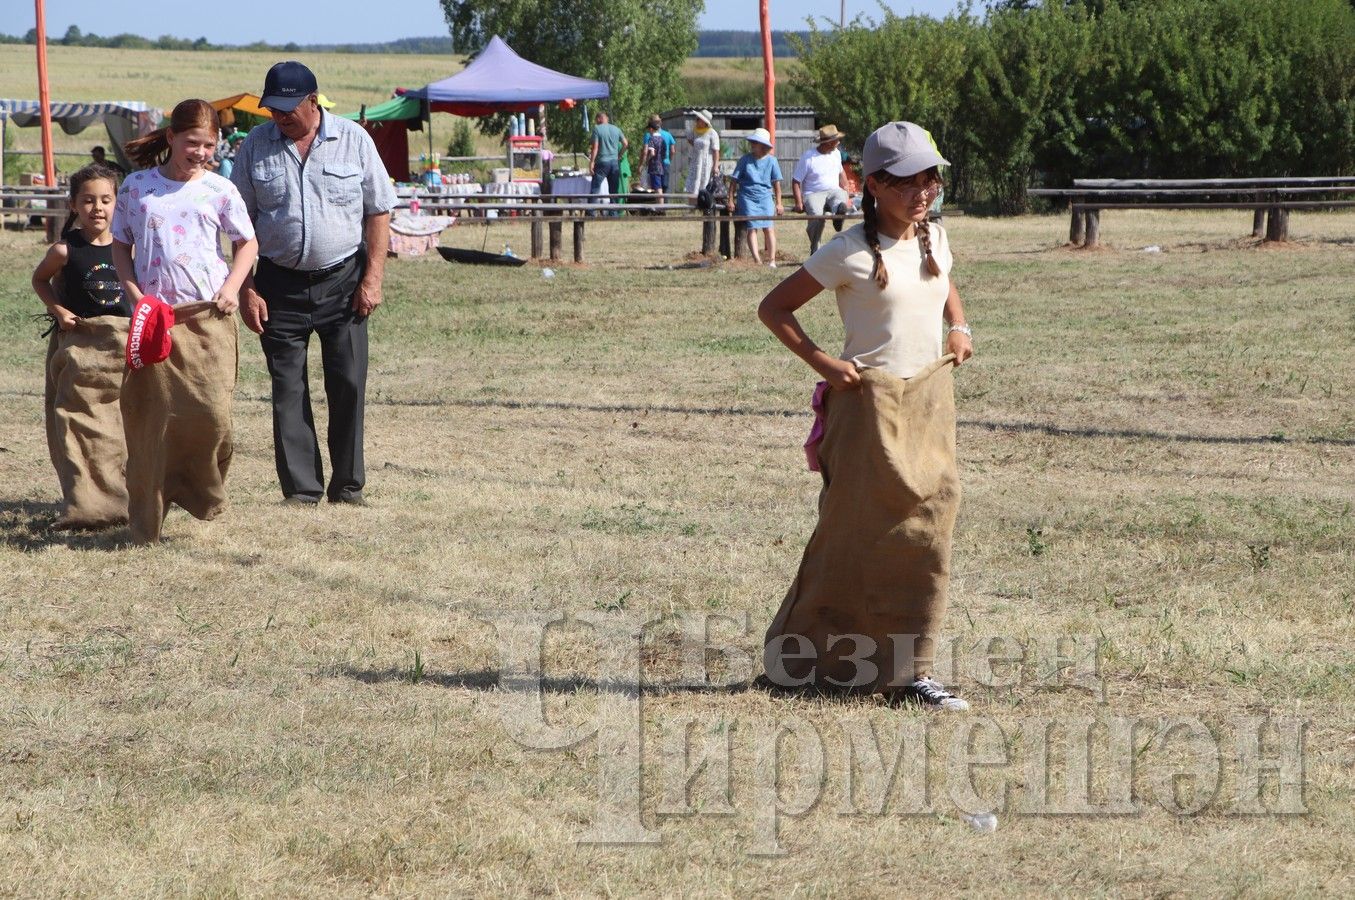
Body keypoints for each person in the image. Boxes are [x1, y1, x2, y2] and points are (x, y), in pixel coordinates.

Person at [756, 121, 975, 710]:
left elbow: (943, 284)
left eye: (930, 177)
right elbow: (774, 308)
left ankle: (910, 673)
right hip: (867, 411)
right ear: (873, 184)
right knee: (850, 538)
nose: (923, 190)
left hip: (929, 403)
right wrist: (824, 364)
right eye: (908, 181)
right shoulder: (847, 252)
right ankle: (801, 659)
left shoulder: (934, 237)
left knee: (928, 531)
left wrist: (959, 325)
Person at [230, 61, 396, 506]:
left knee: (348, 384)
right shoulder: (254, 146)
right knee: (287, 388)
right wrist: (246, 288)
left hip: (344, 281)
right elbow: (240, 223)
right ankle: (301, 490)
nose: (280, 117)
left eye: (288, 108)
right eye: (273, 109)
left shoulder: (353, 140)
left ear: (313, 99)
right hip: (276, 285)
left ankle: (348, 487)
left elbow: (378, 210)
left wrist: (373, 278)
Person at [112, 99, 260, 543]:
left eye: (209, 145)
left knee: (214, 417)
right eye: (192, 142)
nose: (201, 152)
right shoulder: (138, 187)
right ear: (171, 137)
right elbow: (120, 244)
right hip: (154, 319)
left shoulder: (220, 188)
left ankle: (200, 490)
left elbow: (247, 243)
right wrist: (133, 291)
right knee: (153, 422)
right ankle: (148, 513)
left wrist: (233, 287)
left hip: (208, 318)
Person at [31, 163, 132, 530]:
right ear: (74, 204)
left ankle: (124, 494)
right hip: (80, 349)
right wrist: (58, 310)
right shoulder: (65, 250)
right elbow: (40, 280)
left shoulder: (129, 248)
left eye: (106, 199)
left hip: (121, 348)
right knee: (78, 424)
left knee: (121, 425)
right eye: (88, 200)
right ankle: (88, 502)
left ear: (117, 202)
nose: (98, 208)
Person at [792, 124, 854, 255]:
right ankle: (815, 251)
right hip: (813, 193)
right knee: (817, 218)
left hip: (833, 190)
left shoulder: (836, 154)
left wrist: (846, 188)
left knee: (840, 196)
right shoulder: (808, 157)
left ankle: (838, 214)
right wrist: (798, 202)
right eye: (836, 140)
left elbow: (841, 172)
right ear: (828, 143)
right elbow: (796, 181)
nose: (838, 143)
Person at [730, 127, 783, 266]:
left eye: (756, 142)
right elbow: (733, 181)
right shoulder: (744, 160)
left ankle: (772, 260)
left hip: (765, 197)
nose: (752, 144)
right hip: (747, 197)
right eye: (752, 141)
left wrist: (779, 203)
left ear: (763, 145)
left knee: (768, 228)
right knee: (752, 228)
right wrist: (730, 199)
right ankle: (757, 260)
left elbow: (776, 184)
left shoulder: (772, 161)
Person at [588, 112, 628, 203]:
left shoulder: (597, 129)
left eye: (596, 120)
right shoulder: (616, 129)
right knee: (613, 190)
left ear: (599, 119)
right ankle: (613, 213)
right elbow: (625, 144)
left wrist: (592, 162)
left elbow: (595, 148)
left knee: (595, 188)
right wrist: (619, 155)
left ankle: (591, 213)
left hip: (601, 162)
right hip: (614, 163)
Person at [684, 109, 719, 196]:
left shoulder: (712, 133)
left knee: (704, 183)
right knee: (693, 184)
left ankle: (703, 205)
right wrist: (697, 148)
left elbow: (716, 150)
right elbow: (689, 139)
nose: (697, 120)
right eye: (697, 118)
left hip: (706, 162)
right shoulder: (694, 131)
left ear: (704, 121)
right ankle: (691, 207)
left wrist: (715, 166)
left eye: (699, 119)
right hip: (695, 160)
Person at [641, 116, 667, 194]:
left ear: (651, 129)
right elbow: (665, 153)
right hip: (661, 166)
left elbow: (652, 153)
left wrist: (647, 160)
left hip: (654, 167)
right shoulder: (662, 139)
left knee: (657, 188)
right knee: (660, 187)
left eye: (649, 129)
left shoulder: (651, 139)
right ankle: (660, 205)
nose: (648, 131)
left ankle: (660, 205)